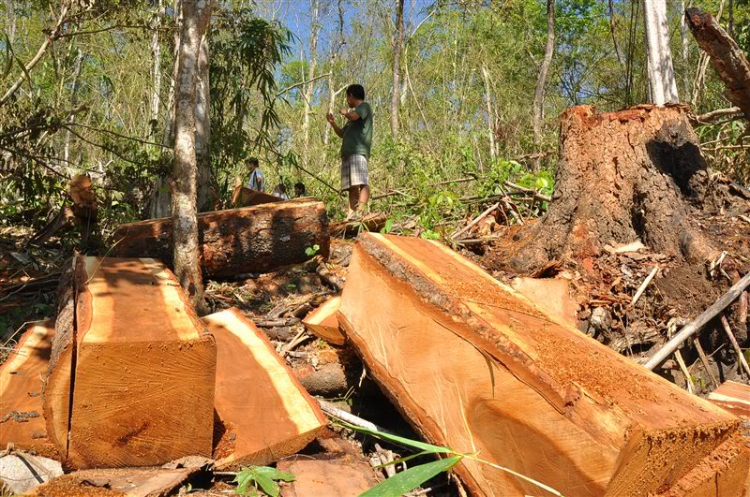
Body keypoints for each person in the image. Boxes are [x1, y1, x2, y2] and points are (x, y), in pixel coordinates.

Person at [326, 84, 372, 219]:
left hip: (358, 150)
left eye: (347, 96)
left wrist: (346, 112)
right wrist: (333, 123)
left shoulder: (364, 107)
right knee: (352, 185)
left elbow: (353, 116)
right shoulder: (352, 118)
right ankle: (351, 214)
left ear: (351, 95)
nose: (347, 100)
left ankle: (361, 212)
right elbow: (341, 133)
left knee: (362, 182)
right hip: (348, 153)